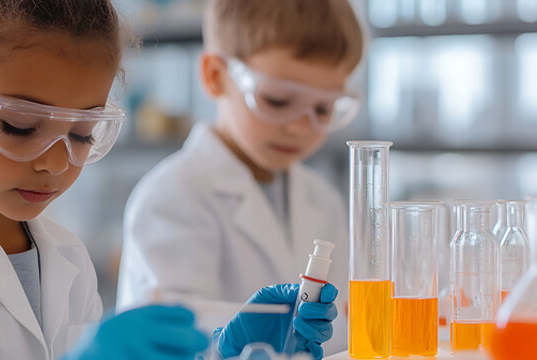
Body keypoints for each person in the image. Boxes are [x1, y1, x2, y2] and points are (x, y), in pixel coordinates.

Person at [0, 0, 338, 359]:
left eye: (82, 134)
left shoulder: (63, 254)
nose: (56, 163)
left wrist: (225, 349)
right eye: (18, 126)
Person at [116, 0, 367, 354]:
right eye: (278, 100)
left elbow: (339, 329)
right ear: (216, 76)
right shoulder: (172, 196)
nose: (299, 127)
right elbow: (163, 338)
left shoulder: (321, 198)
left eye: (323, 109)